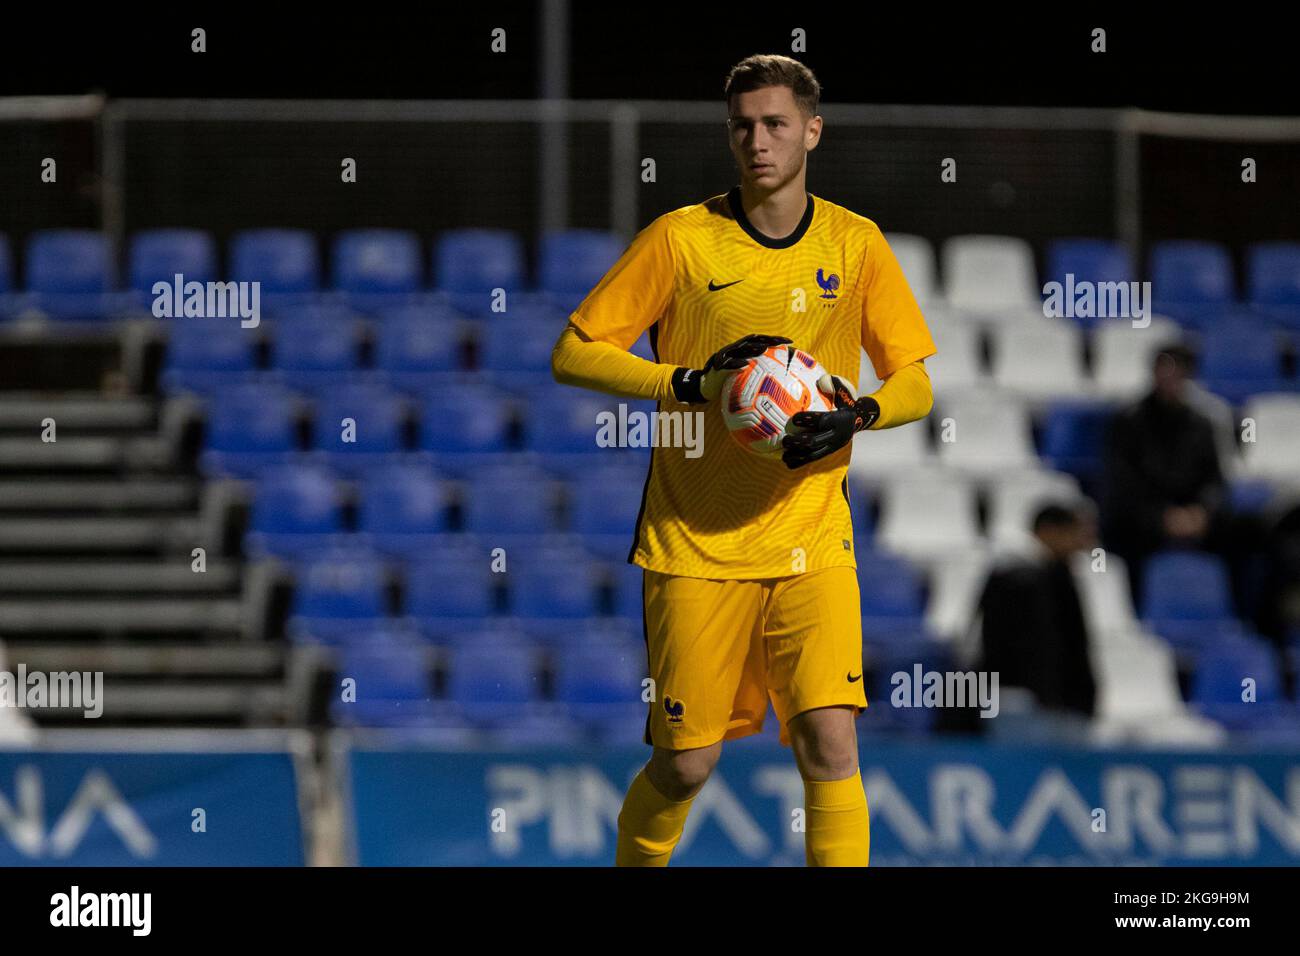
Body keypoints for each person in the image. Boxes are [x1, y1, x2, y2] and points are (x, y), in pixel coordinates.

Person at [551, 54, 936, 866]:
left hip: (811, 538)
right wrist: (691, 383)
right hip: (695, 543)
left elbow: (916, 382)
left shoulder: (854, 243)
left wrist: (858, 414)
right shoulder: (681, 238)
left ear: (813, 131)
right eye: (742, 126)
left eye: (775, 124)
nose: (757, 141)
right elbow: (575, 353)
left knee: (832, 744)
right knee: (688, 763)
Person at [1101, 343, 1283, 640]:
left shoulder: (1202, 424)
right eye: (1165, 371)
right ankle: (1136, 620)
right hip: (1143, 523)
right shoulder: (1127, 423)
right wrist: (1162, 517)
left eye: (1178, 373)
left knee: (1254, 531)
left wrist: (1202, 513)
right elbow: (1121, 485)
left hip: (1196, 519)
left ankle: (1253, 624)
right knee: (1120, 532)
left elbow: (1215, 482)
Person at [974, 504, 1097, 721]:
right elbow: (1003, 641)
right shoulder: (1013, 578)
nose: (1080, 543)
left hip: (1056, 699)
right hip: (1020, 698)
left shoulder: (1061, 576)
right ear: (1049, 531)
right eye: (1073, 534)